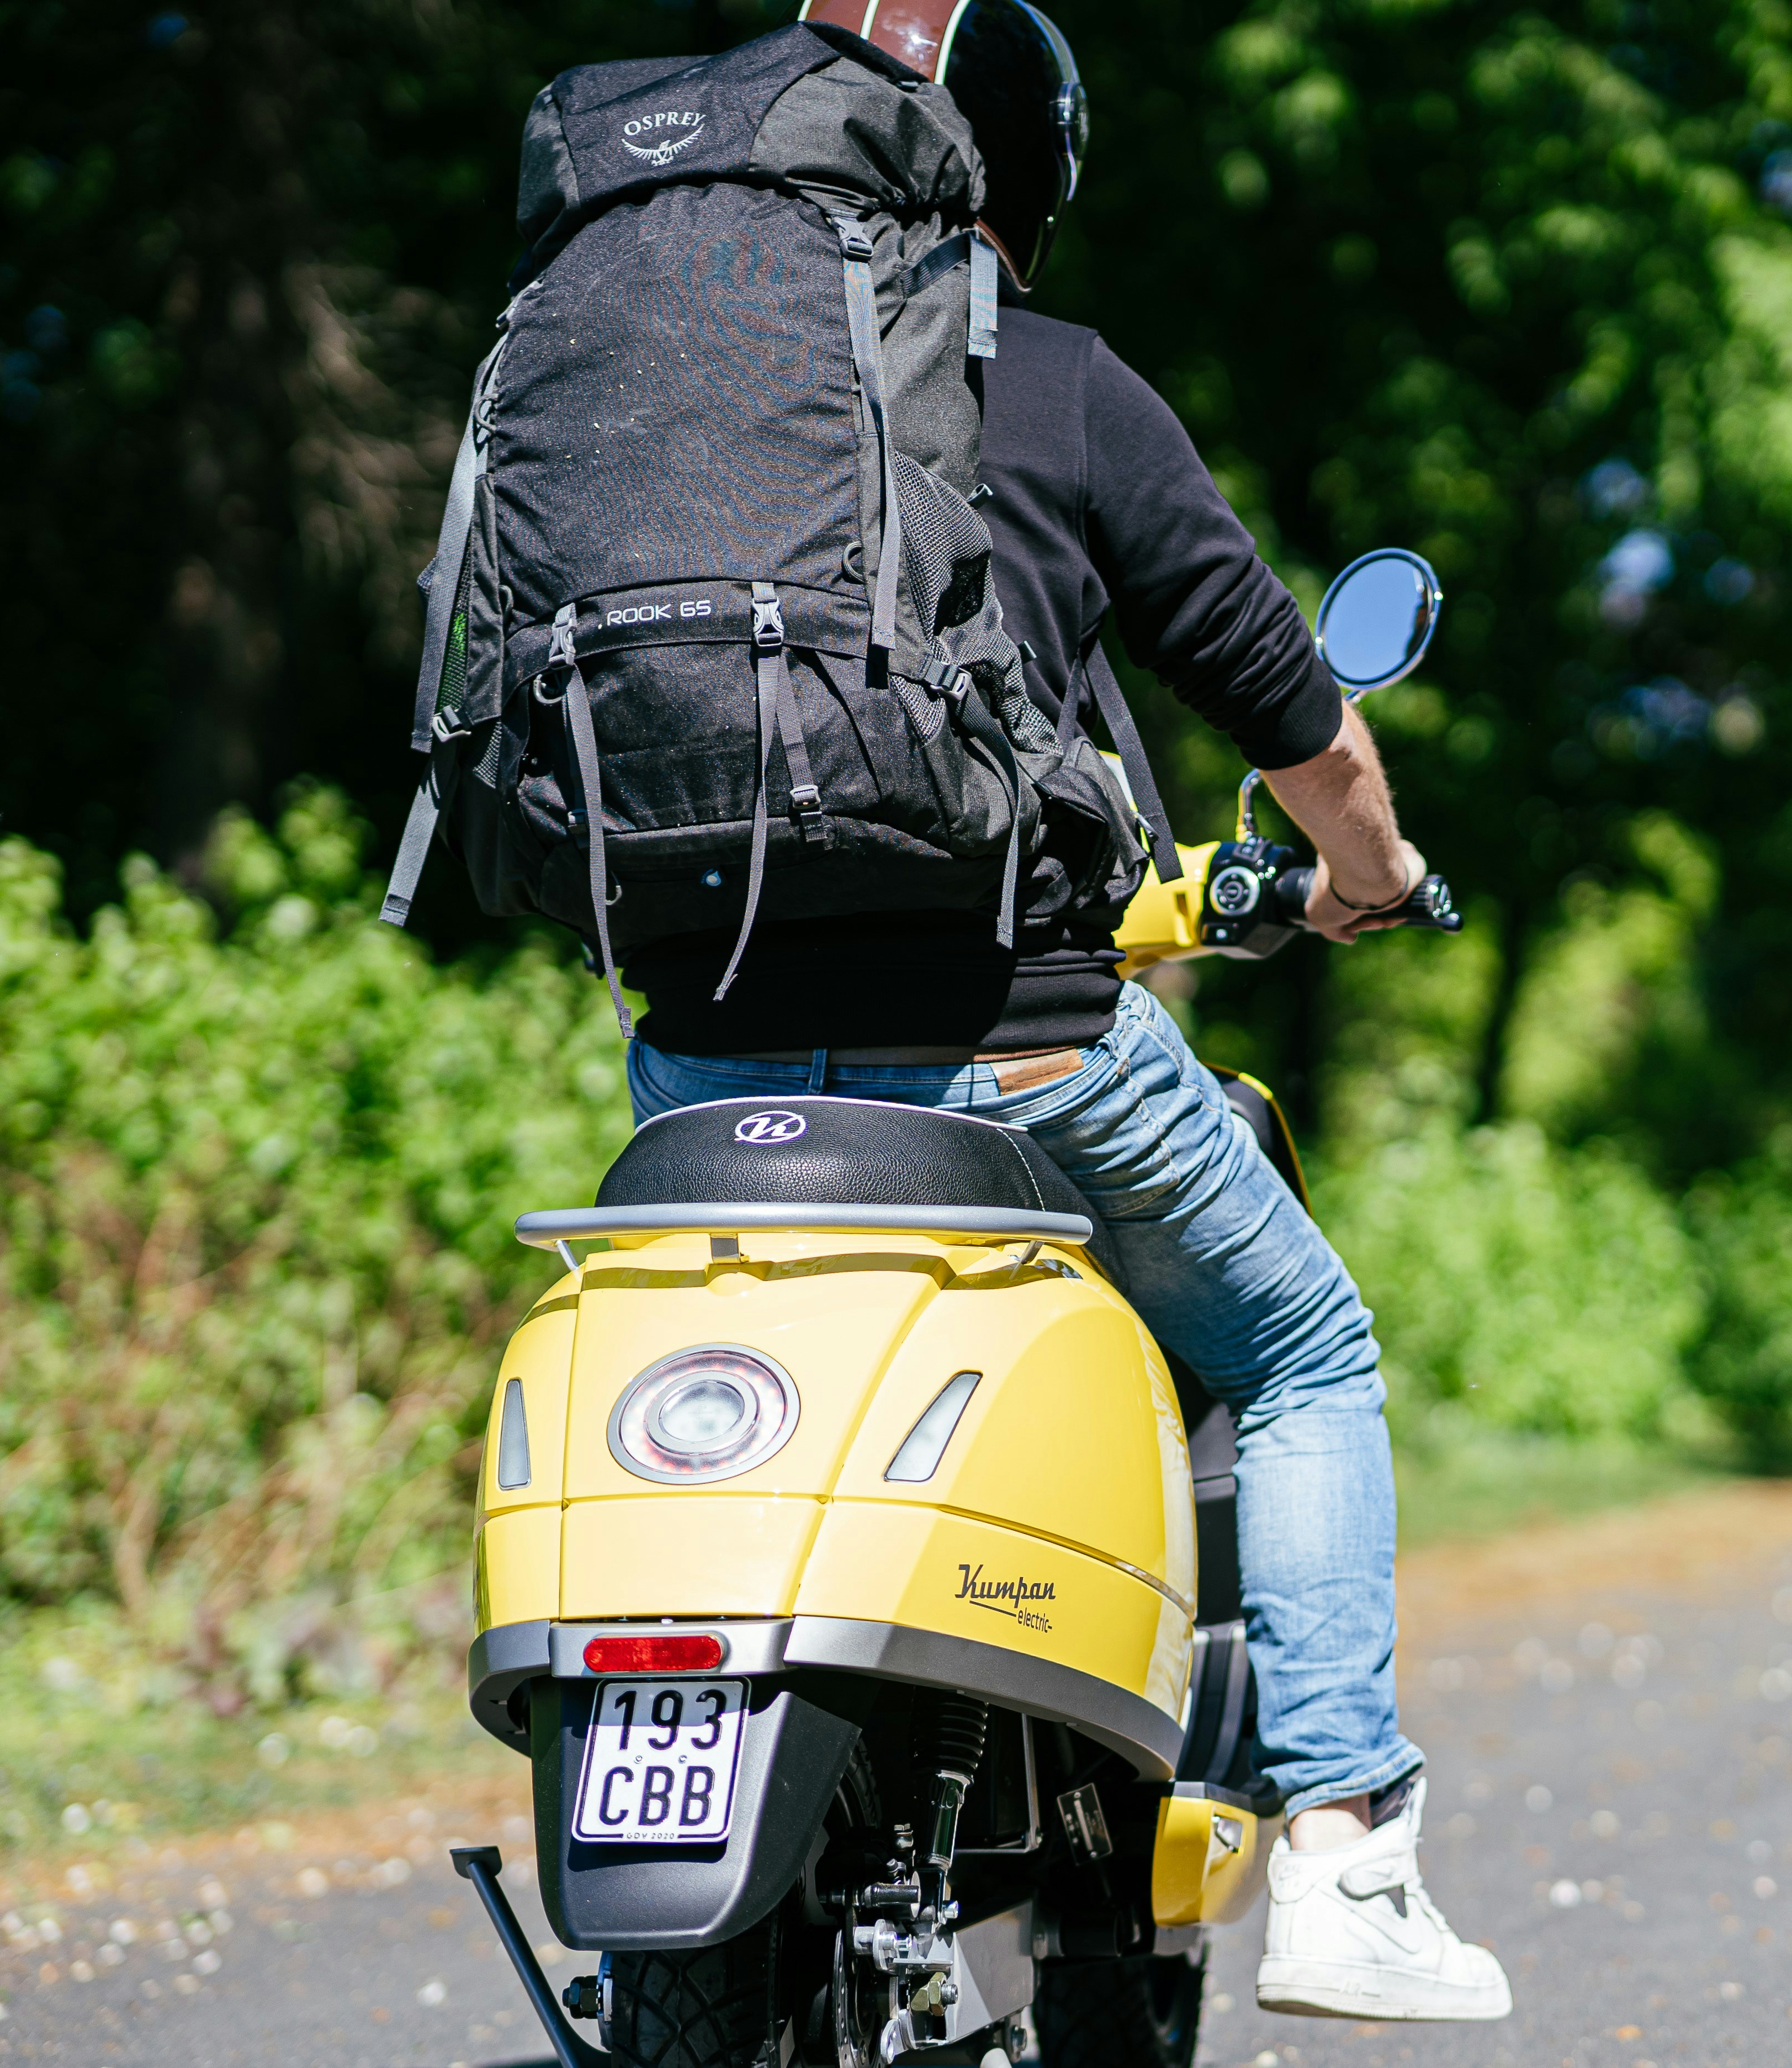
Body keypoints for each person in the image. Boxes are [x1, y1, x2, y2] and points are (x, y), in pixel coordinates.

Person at [617, 0, 1510, 2024]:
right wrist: (1367, 875)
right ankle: (1353, 1853)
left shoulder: (659, 388)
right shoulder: (1059, 383)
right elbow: (1294, 713)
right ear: (1032, 171)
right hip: (1017, 1048)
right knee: (1299, 1341)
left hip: (698, 1061)